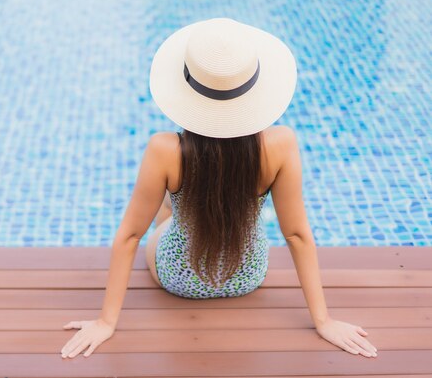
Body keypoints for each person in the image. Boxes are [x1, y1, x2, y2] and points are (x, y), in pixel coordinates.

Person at [60, 18, 378, 360]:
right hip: (248, 273)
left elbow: (129, 236)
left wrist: (107, 322)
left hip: (179, 278)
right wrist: (324, 320)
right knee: (190, 197)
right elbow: (297, 234)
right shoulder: (281, 145)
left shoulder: (164, 150)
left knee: (168, 205)